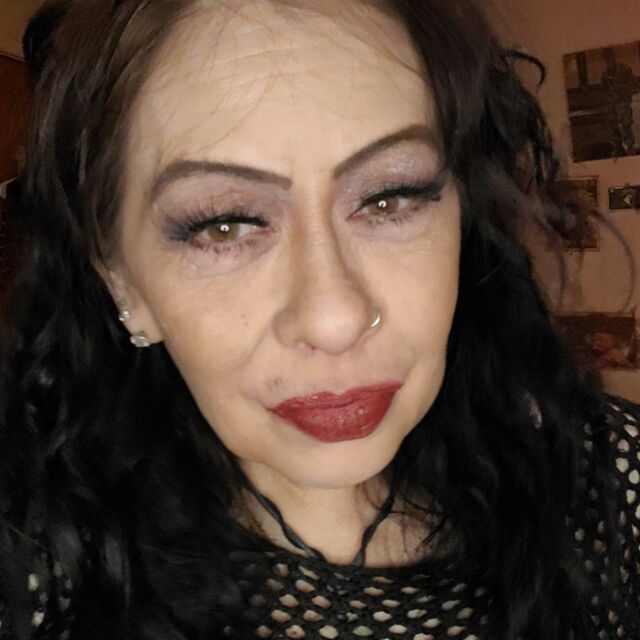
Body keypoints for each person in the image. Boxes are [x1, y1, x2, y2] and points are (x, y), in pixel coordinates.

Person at [0, 1, 638, 639]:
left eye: (389, 197)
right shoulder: (34, 575)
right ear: (122, 280)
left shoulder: (615, 487)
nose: (335, 320)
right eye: (224, 224)